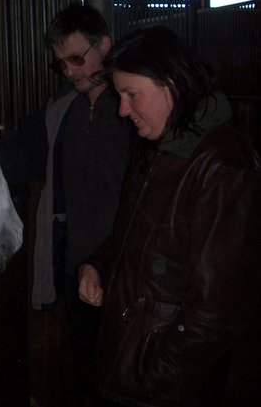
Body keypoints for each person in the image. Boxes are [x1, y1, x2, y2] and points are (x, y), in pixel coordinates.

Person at [78, 25, 261, 407]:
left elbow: (218, 309)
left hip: (167, 389)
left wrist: (155, 374)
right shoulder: (157, 148)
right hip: (128, 368)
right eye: (119, 94)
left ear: (172, 84)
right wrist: (97, 264)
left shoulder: (224, 169)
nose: (122, 109)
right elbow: (131, 235)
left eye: (131, 94)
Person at [0, 3, 132, 403]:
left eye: (77, 58)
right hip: (77, 270)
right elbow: (14, 155)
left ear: (104, 45)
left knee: (129, 379)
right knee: (88, 371)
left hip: (128, 271)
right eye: (61, 64)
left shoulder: (136, 108)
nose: (70, 71)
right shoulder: (60, 111)